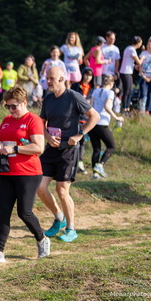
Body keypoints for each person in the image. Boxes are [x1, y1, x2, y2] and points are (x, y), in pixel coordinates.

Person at [0, 85, 49, 265]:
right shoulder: (7, 120)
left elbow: (39, 147)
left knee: (24, 212)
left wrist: (15, 148)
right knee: (3, 211)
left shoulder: (33, 120)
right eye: (8, 106)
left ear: (24, 103)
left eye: (14, 106)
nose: (11, 110)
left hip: (28, 173)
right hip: (7, 171)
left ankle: (42, 239)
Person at [37, 67, 99, 243]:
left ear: (62, 79)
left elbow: (94, 116)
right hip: (51, 149)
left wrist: (79, 135)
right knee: (39, 187)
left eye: (52, 78)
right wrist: (47, 137)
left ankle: (71, 229)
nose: (48, 81)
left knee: (62, 190)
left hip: (69, 150)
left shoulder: (74, 97)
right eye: (47, 78)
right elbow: (41, 123)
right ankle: (59, 218)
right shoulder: (48, 98)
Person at [89, 75, 124, 180]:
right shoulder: (110, 93)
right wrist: (116, 117)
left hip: (92, 123)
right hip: (102, 123)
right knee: (112, 146)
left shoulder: (96, 91)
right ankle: (100, 165)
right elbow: (107, 106)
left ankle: (95, 174)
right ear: (111, 83)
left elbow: (91, 105)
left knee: (96, 149)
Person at [71, 67, 95, 174]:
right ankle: (73, 164)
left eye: (90, 75)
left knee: (82, 142)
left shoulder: (93, 88)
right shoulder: (76, 86)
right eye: (86, 74)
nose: (88, 77)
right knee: (74, 142)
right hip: (75, 118)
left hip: (86, 119)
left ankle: (79, 163)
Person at [119, 36, 143, 114]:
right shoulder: (132, 50)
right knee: (127, 91)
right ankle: (124, 108)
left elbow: (128, 61)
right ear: (138, 43)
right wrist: (143, 57)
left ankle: (126, 107)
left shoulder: (128, 48)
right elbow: (139, 62)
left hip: (127, 72)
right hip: (126, 72)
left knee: (129, 91)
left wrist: (134, 66)